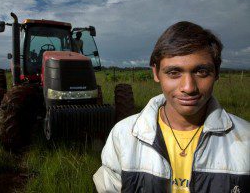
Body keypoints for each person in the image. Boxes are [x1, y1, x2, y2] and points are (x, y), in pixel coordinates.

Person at [93, 21, 250, 192]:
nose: (189, 87)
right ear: (156, 73)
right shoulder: (124, 136)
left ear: (217, 73)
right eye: (174, 73)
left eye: (201, 72)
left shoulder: (246, 141)